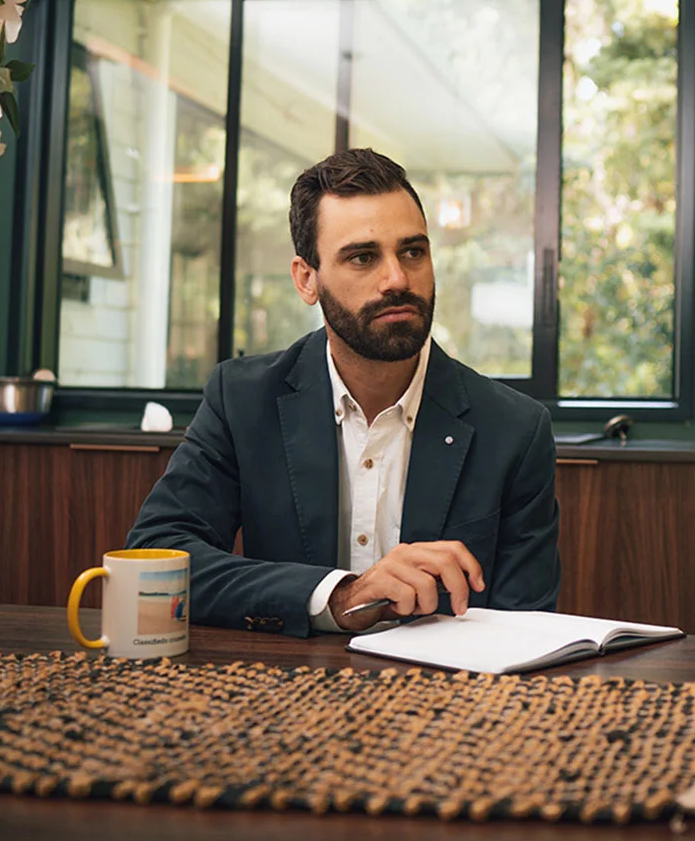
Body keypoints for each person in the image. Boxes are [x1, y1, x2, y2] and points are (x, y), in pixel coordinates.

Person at [127, 148, 560, 636]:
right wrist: (338, 596)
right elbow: (155, 556)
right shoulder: (243, 400)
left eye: (413, 252)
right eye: (362, 257)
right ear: (306, 280)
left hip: (445, 683)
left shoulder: (514, 429)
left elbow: (528, 628)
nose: (397, 279)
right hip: (282, 680)